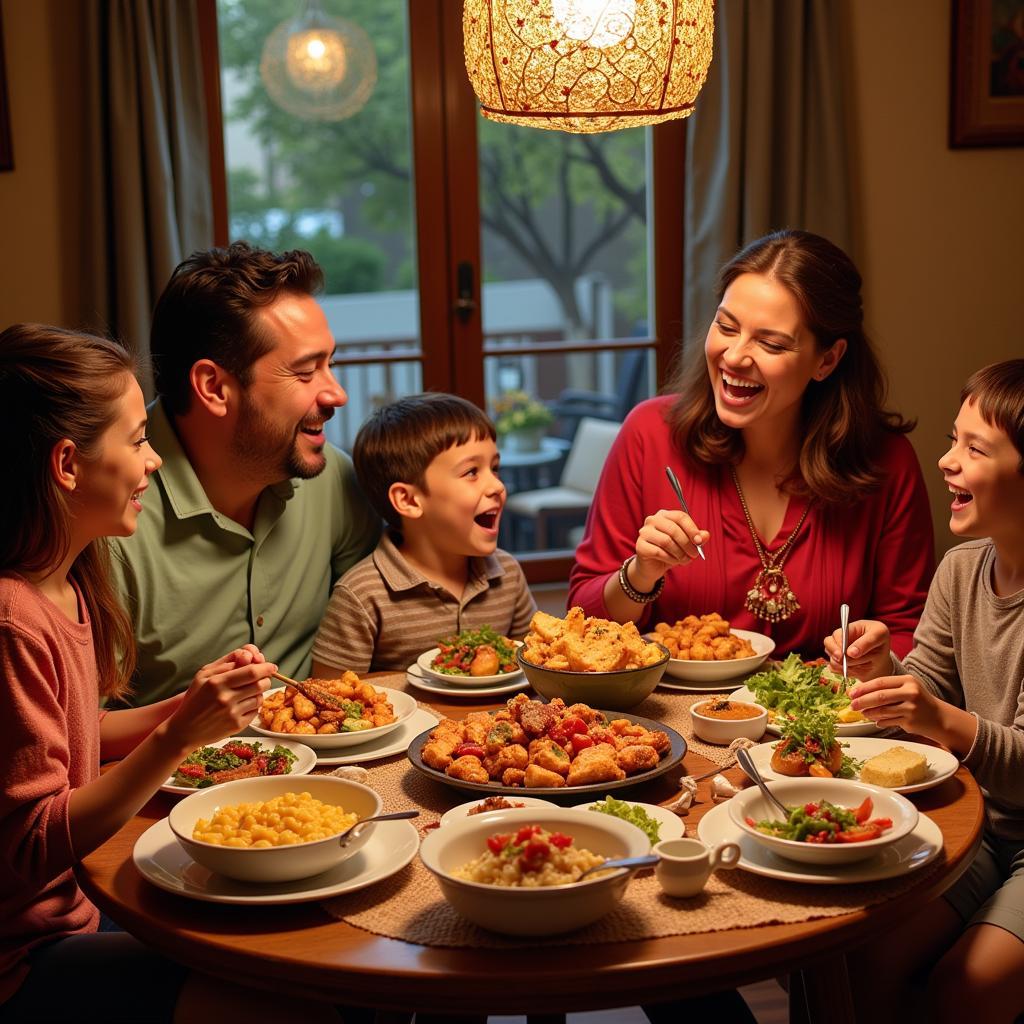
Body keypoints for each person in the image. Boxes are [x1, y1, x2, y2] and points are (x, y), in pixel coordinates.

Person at [0, 323, 346, 1023]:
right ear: (68, 464)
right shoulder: (12, 619)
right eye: (135, 441)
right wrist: (179, 739)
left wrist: (183, 706)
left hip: (81, 910)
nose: (154, 461)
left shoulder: (67, 583)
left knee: (318, 952)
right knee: (301, 997)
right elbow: (29, 846)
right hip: (24, 959)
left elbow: (81, 733)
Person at [569, 229, 934, 658]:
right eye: (726, 326)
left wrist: (877, 658)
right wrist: (641, 573)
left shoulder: (888, 462)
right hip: (669, 721)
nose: (735, 355)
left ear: (827, 359)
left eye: (771, 343)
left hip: (827, 720)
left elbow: (914, 636)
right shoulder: (648, 434)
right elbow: (584, 623)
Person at [824, 359, 1024, 1023]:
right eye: (952, 439)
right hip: (977, 829)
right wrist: (883, 671)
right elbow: (923, 696)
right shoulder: (963, 568)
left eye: (975, 448)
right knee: (852, 955)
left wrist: (935, 713)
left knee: (965, 990)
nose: (945, 462)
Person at [110, 242, 380, 705]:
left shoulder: (333, 478)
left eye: (329, 364)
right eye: (304, 372)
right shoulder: (107, 515)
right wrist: (185, 722)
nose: (336, 394)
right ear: (214, 387)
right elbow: (75, 733)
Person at [312, 393, 536, 676]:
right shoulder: (363, 595)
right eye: (471, 472)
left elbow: (535, 670)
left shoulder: (508, 575)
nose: (497, 486)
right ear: (409, 500)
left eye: (494, 468)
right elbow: (328, 696)